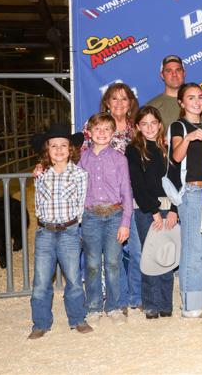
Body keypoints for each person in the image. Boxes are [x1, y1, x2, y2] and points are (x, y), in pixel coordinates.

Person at [28, 123, 91, 339]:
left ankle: (78, 318)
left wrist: (75, 227)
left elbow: (81, 203)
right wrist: (38, 168)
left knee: (73, 278)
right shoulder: (41, 174)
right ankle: (40, 323)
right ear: (47, 150)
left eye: (63, 145)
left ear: (71, 149)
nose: (59, 150)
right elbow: (38, 202)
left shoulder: (80, 174)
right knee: (41, 280)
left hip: (69, 231)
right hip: (45, 232)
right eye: (53, 146)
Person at [167, 83, 202, 318]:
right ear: (181, 102)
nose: (197, 101)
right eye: (191, 98)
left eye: (200, 97)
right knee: (192, 248)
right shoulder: (178, 126)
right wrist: (188, 138)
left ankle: (198, 301)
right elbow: (176, 157)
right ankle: (190, 305)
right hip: (190, 192)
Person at [79, 112, 134, 325]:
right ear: (89, 132)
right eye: (97, 129)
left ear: (113, 133)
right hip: (91, 215)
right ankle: (93, 307)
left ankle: (114, 306)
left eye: (106, 129)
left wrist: (125, 223)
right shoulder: (82, 159)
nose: (101, 133)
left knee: (113, 262)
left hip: (114, 215)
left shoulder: (120, 159)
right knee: (92, 263)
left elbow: (126, 191)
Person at [126, 106, 177, 319]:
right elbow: (138, 184)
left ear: (160, 125)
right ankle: (150, 304)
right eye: (144, 124)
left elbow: (177, 182)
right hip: (146, 210)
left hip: (169, 209)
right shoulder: (133, 150)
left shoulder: (168, 149)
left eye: (153, 123)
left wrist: (174, 210)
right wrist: (154, 211)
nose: (149, 128)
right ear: (138, 127)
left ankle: (165, 304)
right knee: (150, 256)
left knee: (167, 255)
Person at [145, 55, 186, 127]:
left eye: (178, 70)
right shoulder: (152, 107)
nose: (174, 74)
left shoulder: (197, 101)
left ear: (184, 73)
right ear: (162, 75)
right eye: (168, 71)